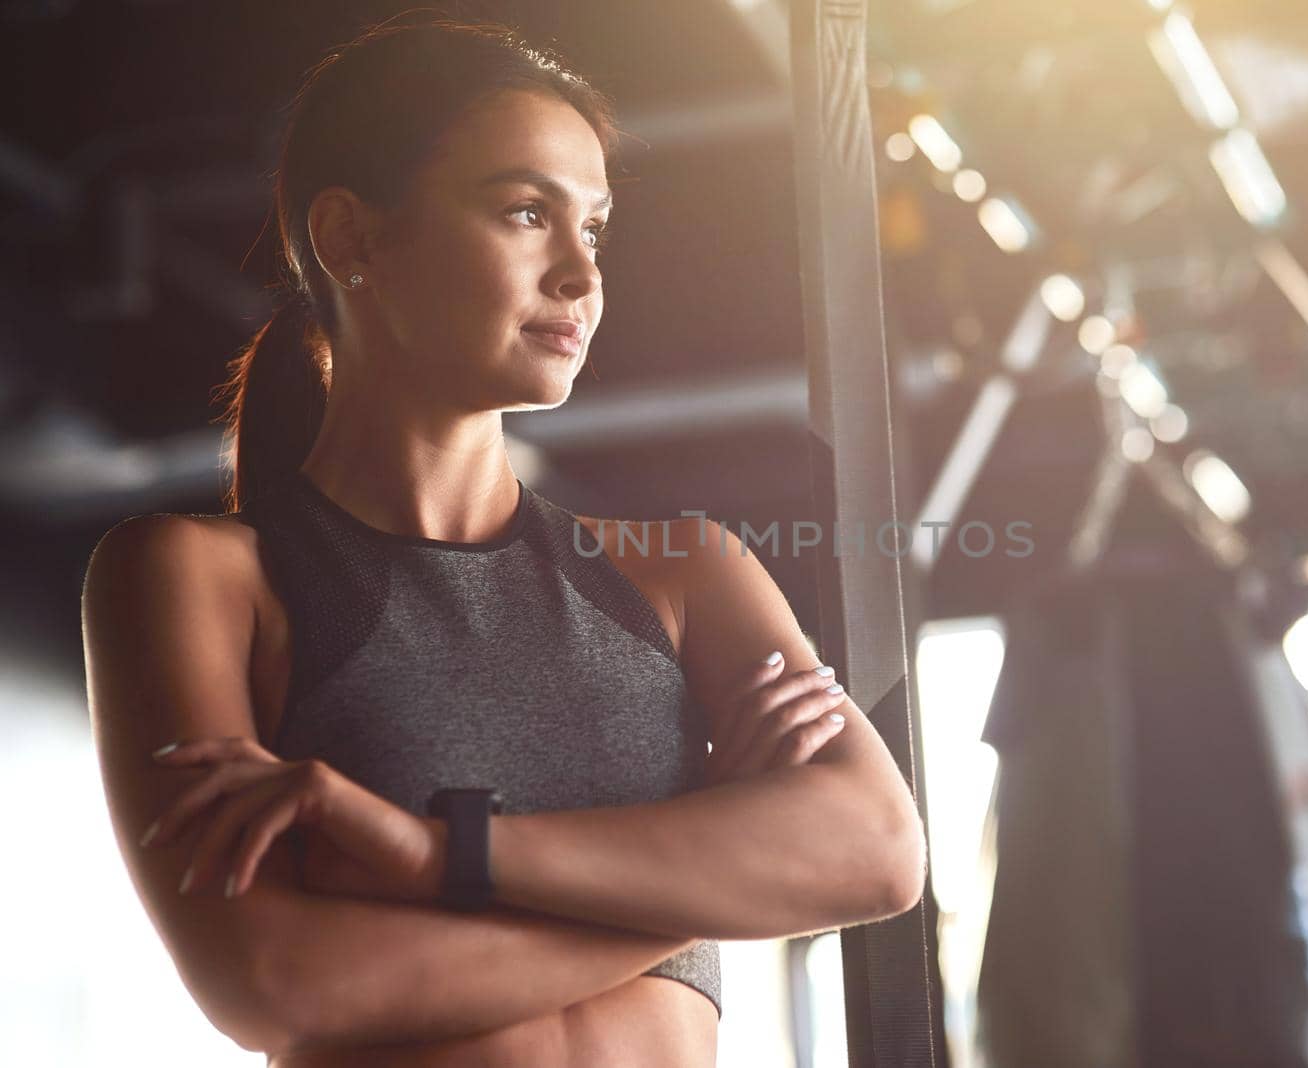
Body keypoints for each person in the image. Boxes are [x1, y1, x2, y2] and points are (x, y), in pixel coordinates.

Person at [79, 14, 925, 1066]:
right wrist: (709, 865)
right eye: (526, 212)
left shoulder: (682, 570)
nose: (580, 273)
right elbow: (278, 986)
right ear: (352, 241)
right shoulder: (197, 580)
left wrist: (442, 855)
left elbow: (878, 854)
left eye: (595, 228)